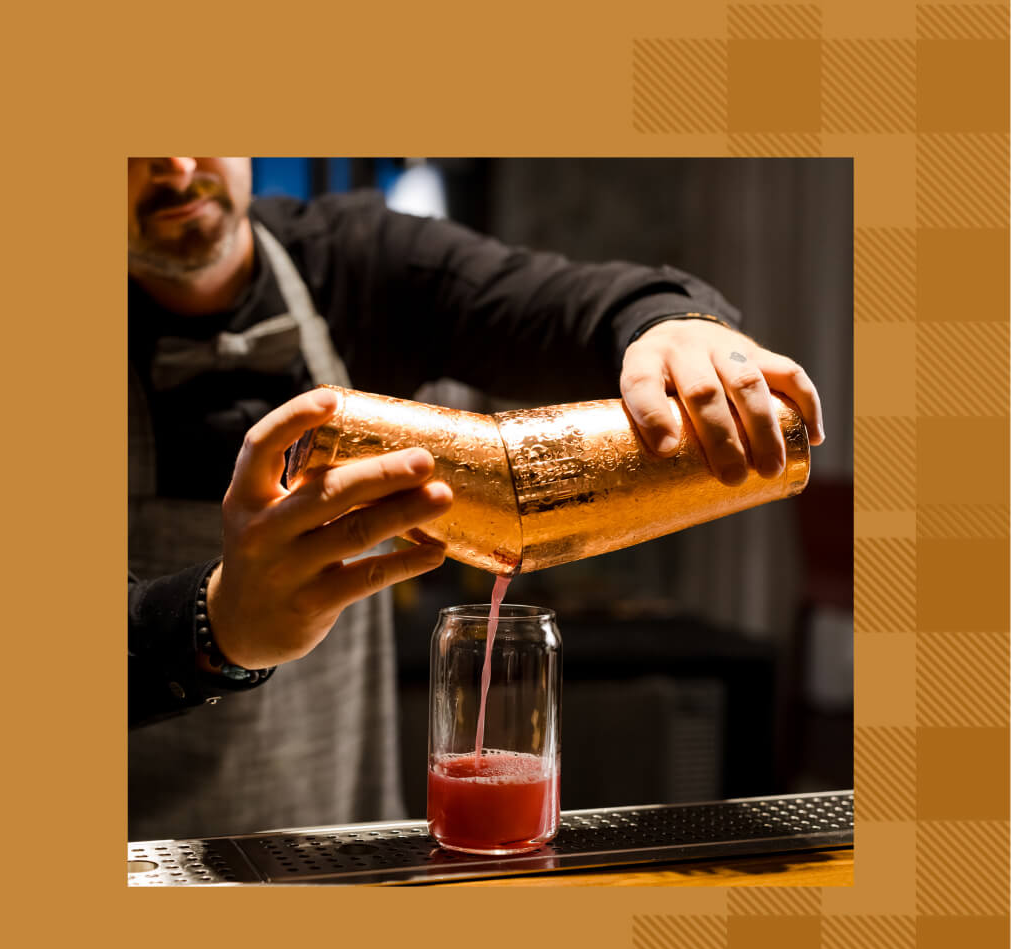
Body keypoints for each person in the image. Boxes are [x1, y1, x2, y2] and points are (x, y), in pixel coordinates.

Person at [128, 156, 824, 841]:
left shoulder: (358, 260)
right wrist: (213, 623)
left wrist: (672, 325)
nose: (177, 164)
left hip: (333, 841)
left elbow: (558, 301)